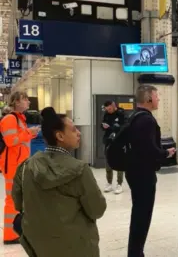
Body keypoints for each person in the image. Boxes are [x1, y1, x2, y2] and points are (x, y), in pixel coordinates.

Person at [12, 107, 107, 257]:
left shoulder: (25, 167)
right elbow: (97, 209)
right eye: (74, 129)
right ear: (60, 136)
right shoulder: (80, 170)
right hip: (76, 246)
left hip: (39, 246)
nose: (79, 133)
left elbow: (18, 204)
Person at [126, 85, 175, 257]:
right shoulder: (146, 120)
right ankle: (136, 253)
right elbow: (148, 150)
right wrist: (166, 153)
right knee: (142, 215)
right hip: (143, 174)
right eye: (156, 96)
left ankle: (135, 251)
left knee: (139, 212)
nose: (158, 99)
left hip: (134, 171)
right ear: (148, 99)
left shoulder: (134, 116)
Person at [0, 91, 40, 244]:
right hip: (12, 166)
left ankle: (16, 230)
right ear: (16, 102)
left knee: (17, 199)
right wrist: (29, 132)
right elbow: (11, 141)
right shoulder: (10, 119)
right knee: (12, 199)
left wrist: (31, 133)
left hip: (18, 165)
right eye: (25, 100)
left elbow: (20, 139)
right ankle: (10, 235)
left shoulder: (19, 119)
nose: (28, 103)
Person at [101, 100, 126, 194]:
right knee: (108, 163)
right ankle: (109, 183)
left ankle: (119, 184)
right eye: (107, 109)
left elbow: (124, 126)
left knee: (119, 162)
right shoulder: (106, 114)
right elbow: (103, 125)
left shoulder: (121, 113)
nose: (109, 111)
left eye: (110, 109)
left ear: (113, 106)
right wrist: (103, 126)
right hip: (108, 140)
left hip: (118, 141)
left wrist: (114, 127)